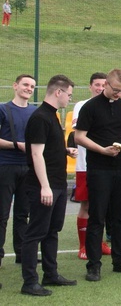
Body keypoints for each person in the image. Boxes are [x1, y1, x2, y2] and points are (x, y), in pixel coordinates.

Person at [75, 68, 121, 281]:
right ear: (106, 84)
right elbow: (79, 137)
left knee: (120, 216)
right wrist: (102, 150)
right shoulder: (90, 107)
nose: (119, 94)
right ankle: (93, 265)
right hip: (99, 169)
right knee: (97, 217)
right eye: (116, 90)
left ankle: (120, 260)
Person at [20, 75, 78, 296]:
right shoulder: (40, 117)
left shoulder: (51, 116)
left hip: (58, 183)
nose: (69, 99)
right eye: (69, 95)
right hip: (44, 186)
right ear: (58, 92)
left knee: (52, 230)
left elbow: (47, 148)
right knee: (35, 232)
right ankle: (29, 282)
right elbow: (35, 153)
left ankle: (50, 274)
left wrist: (65, 151)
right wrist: (44, 186)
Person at [71, 72, 109, 260]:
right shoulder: (82, 105)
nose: (100, 87)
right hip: (85, 165)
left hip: (105, 166)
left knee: (102, 206)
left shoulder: (112, 106)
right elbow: (80, 133)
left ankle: (98, 242)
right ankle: (83, 246)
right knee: (86, 205)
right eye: (97, 84)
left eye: (104, 84)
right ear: (90, 86)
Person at [0, 74, 37, 267]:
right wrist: (16, 145)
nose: (29, 89)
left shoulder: (34, 111)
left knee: (23, 213)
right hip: (6, 166)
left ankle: (22, 254)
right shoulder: (3, 109)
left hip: (28, 167)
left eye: (32, 86)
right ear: (15, 86)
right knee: (2, 214)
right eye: (25, 85)